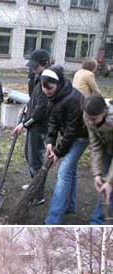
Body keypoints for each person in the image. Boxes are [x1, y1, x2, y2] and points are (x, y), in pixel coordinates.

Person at [41, 66, 88, 224]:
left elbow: (72, 131)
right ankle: (70, 206)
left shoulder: (73, 99)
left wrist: (58, 152)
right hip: (70, 134)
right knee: (71, 171)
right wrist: (50, 142)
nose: (46, 91)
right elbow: (53, 120)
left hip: (81, 136)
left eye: (50, 88)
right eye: (44, 87)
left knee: (64, 173)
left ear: (59, 84)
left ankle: (53, 220)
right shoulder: (55, 96)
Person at [14, 49, 50, 204]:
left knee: (35, 159)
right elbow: (34, 100)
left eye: (36, 66)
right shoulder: (36, 77)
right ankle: (34, 184)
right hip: (33, 124)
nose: (33, 68)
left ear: (45, 64)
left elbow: (42, 109)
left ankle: (38, 195)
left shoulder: (46, 81)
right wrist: (27, 106)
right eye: (32, 65)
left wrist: (24, 124)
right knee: (29, 156)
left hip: (39, 125)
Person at [83, 95, 113, 224]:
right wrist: (97, 174)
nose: (90, 122)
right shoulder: (88, 115)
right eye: (88, 119)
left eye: (93, 119)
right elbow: (95, 145)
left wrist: (110, 181)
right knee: (104, 185)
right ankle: (97, 221)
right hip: (108, 148)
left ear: (104, 113)